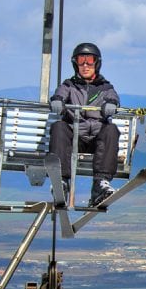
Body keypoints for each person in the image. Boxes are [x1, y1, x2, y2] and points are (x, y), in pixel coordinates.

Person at [48, 42, 121, 207]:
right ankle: (62, 181)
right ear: (76, 64)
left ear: (97, 63)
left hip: (96, 140)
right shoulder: (69, 85)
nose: (85, 65)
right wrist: (57, 101)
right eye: (81, 61)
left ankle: (100, 183)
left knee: (111, 129)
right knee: (59, 127)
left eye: (90, 60)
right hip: (75, 138)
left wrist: (112, 105)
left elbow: (113, 98)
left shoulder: (105, 88)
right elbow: (59, 94)